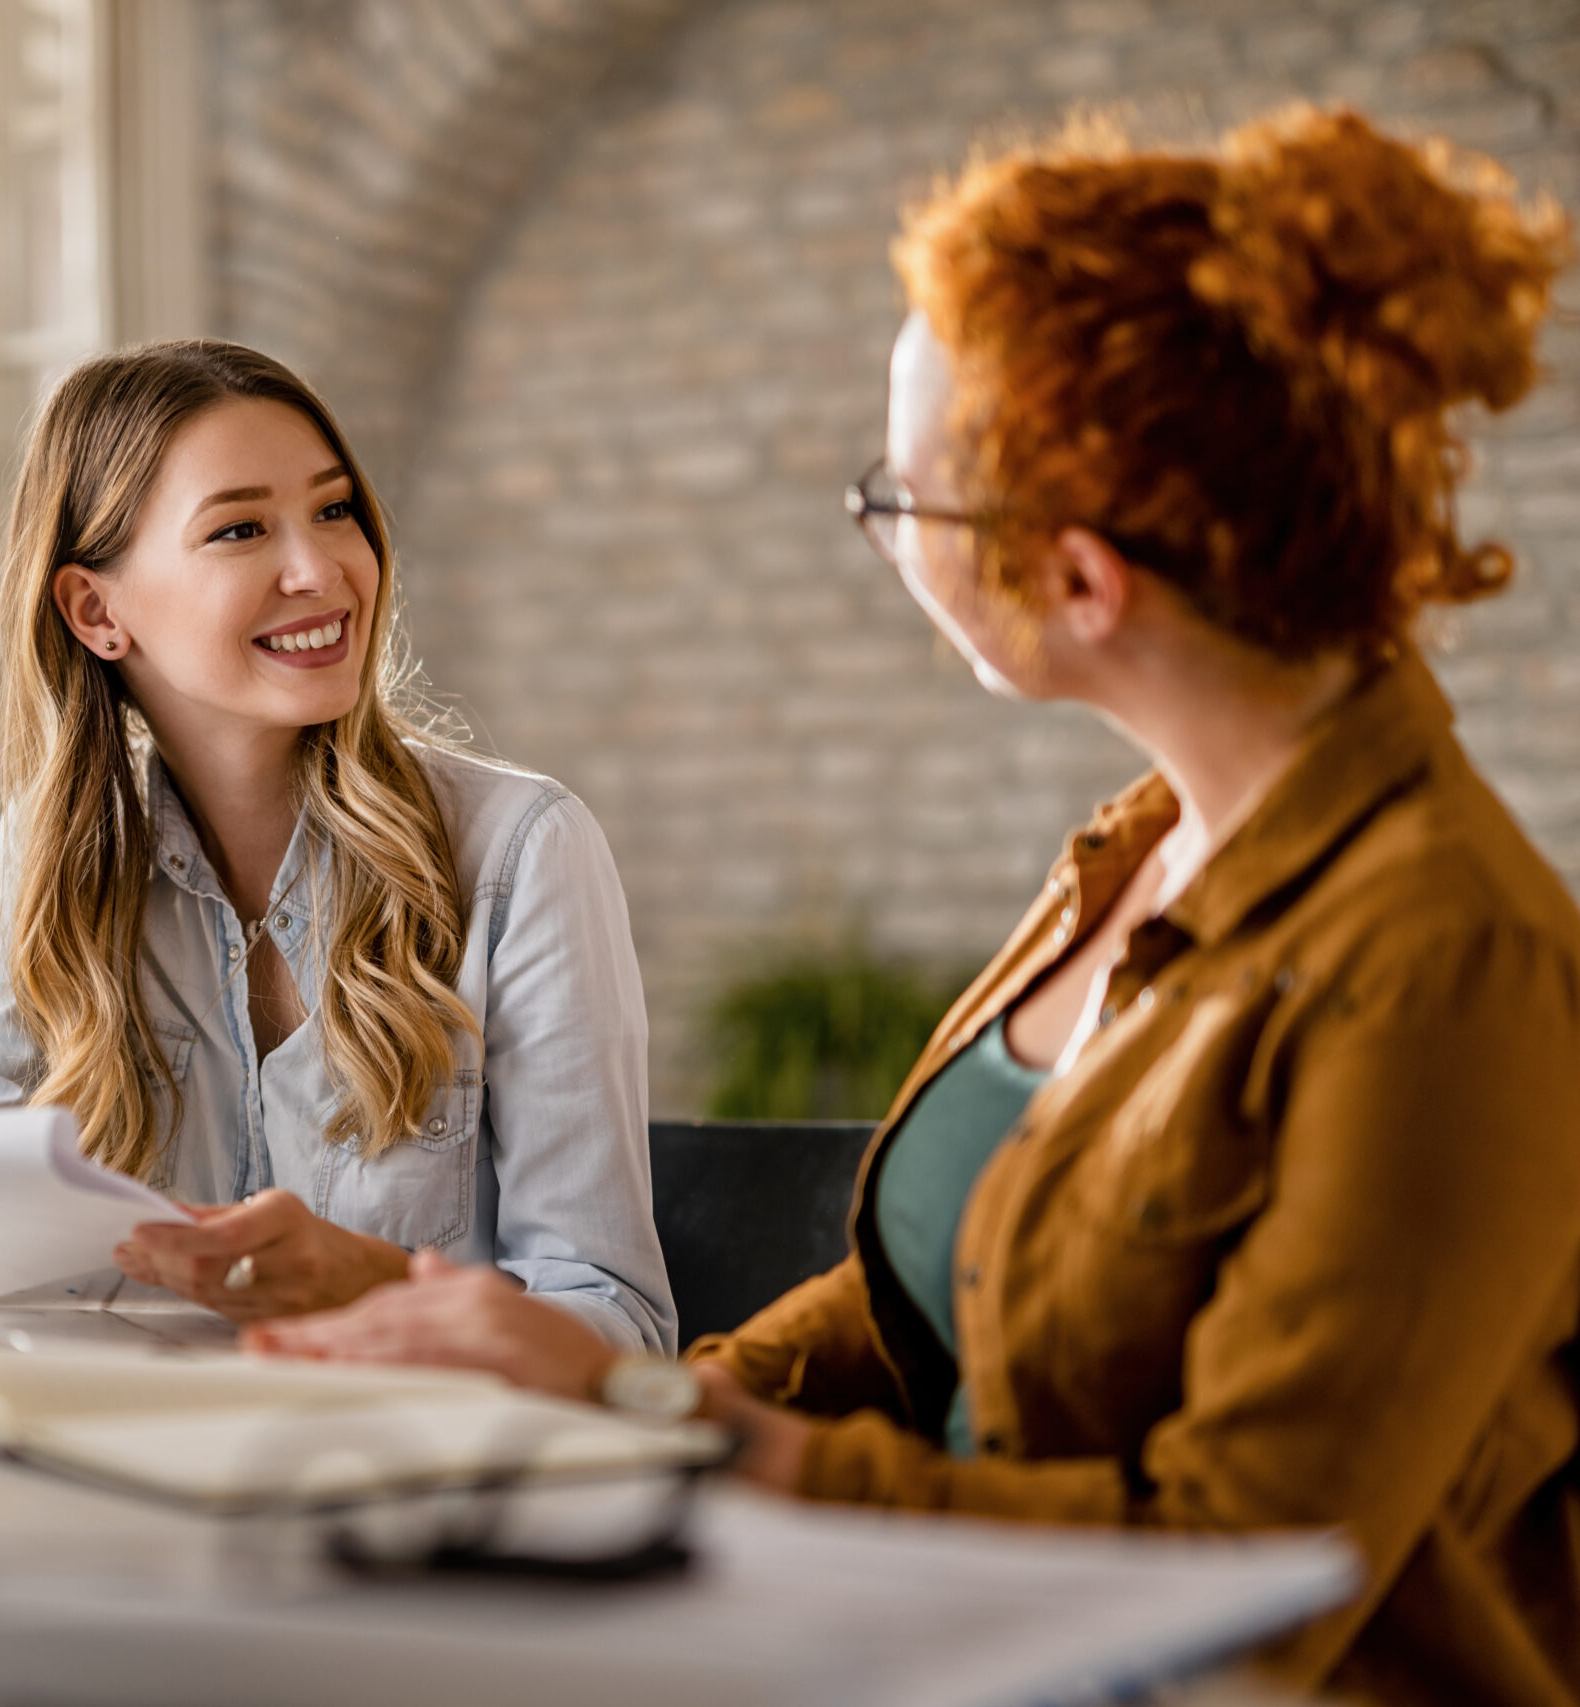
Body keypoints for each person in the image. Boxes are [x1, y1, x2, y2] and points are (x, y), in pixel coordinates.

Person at [248, 107, 1579, 1703]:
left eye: (903, 497)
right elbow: (917, 1306)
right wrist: (567, 1388)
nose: (883, 531)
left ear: (1081, 579)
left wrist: (670, 1423)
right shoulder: (1135, 855)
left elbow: (1239, 1571)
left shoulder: (1447, 960)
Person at [0, 339, 673, 1351]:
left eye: (334, 511)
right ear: (96, 611)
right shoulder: (55, 859)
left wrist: (367, 1283)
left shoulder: (520, 852)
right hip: (112, 1440)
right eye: (241, 528)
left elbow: (619, 1325)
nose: (321, 570)